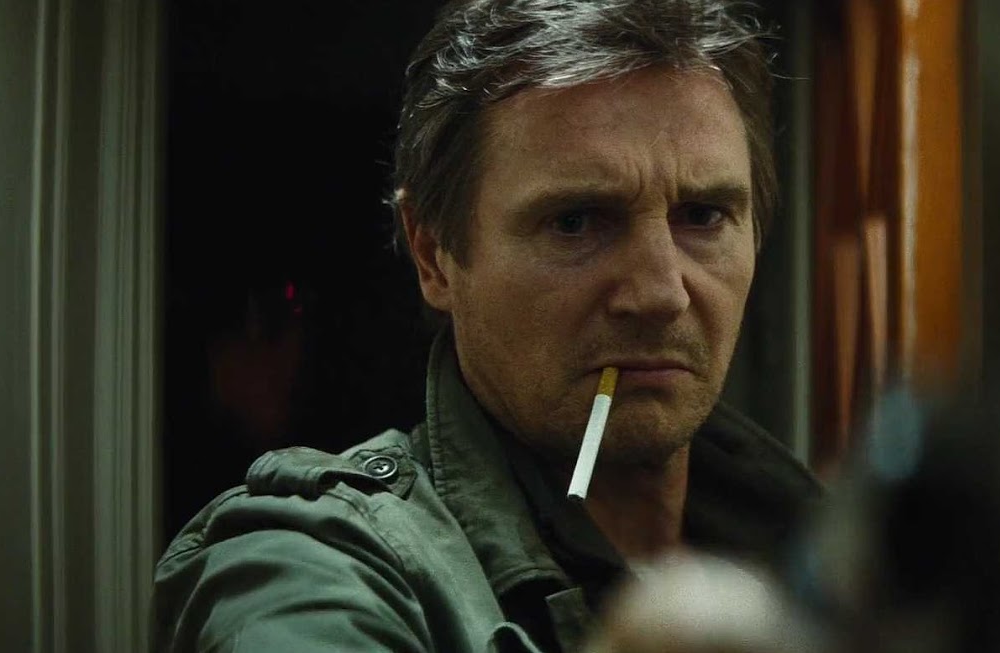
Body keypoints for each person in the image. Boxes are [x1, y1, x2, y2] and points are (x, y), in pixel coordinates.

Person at [152, 1, 820, 651]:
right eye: (575, 222)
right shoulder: (317, 562)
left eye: (702, 216)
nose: (660, 294)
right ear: (434, 255)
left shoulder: (821, 552)